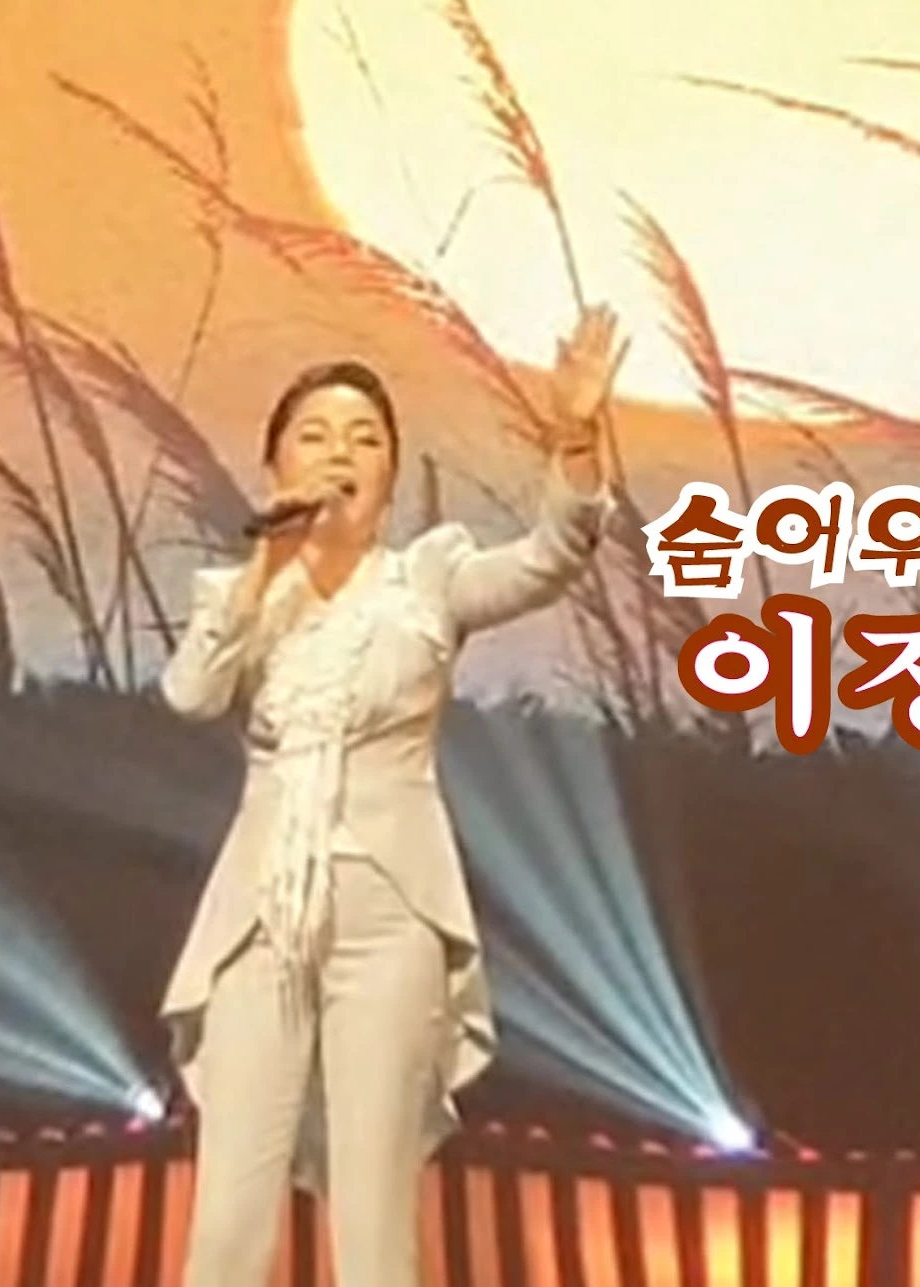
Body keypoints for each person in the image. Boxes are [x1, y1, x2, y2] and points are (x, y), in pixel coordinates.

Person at [157, 310, 624, 1287]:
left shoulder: (429, 579)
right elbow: (191, 694)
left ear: (392, 472)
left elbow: (549, 557)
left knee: (373, 1222)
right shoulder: (236, 595)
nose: (341, 454)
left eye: (366, 438)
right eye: (317, 435)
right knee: (229, 1219)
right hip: (259, 921)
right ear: (275, 463)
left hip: (389, 917)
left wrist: (575, 438)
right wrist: (265, 567)